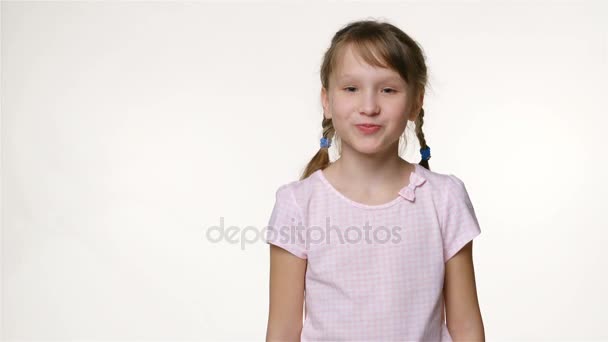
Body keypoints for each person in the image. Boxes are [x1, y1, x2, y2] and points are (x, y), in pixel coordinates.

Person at [264, 19, 485, 341]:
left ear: (415, 102)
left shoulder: (444, 197)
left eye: (388, 90)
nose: (369, 107)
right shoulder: (298, 203)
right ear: (327, 101)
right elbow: (283, 331)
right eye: (351, 88)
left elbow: (465, 327)